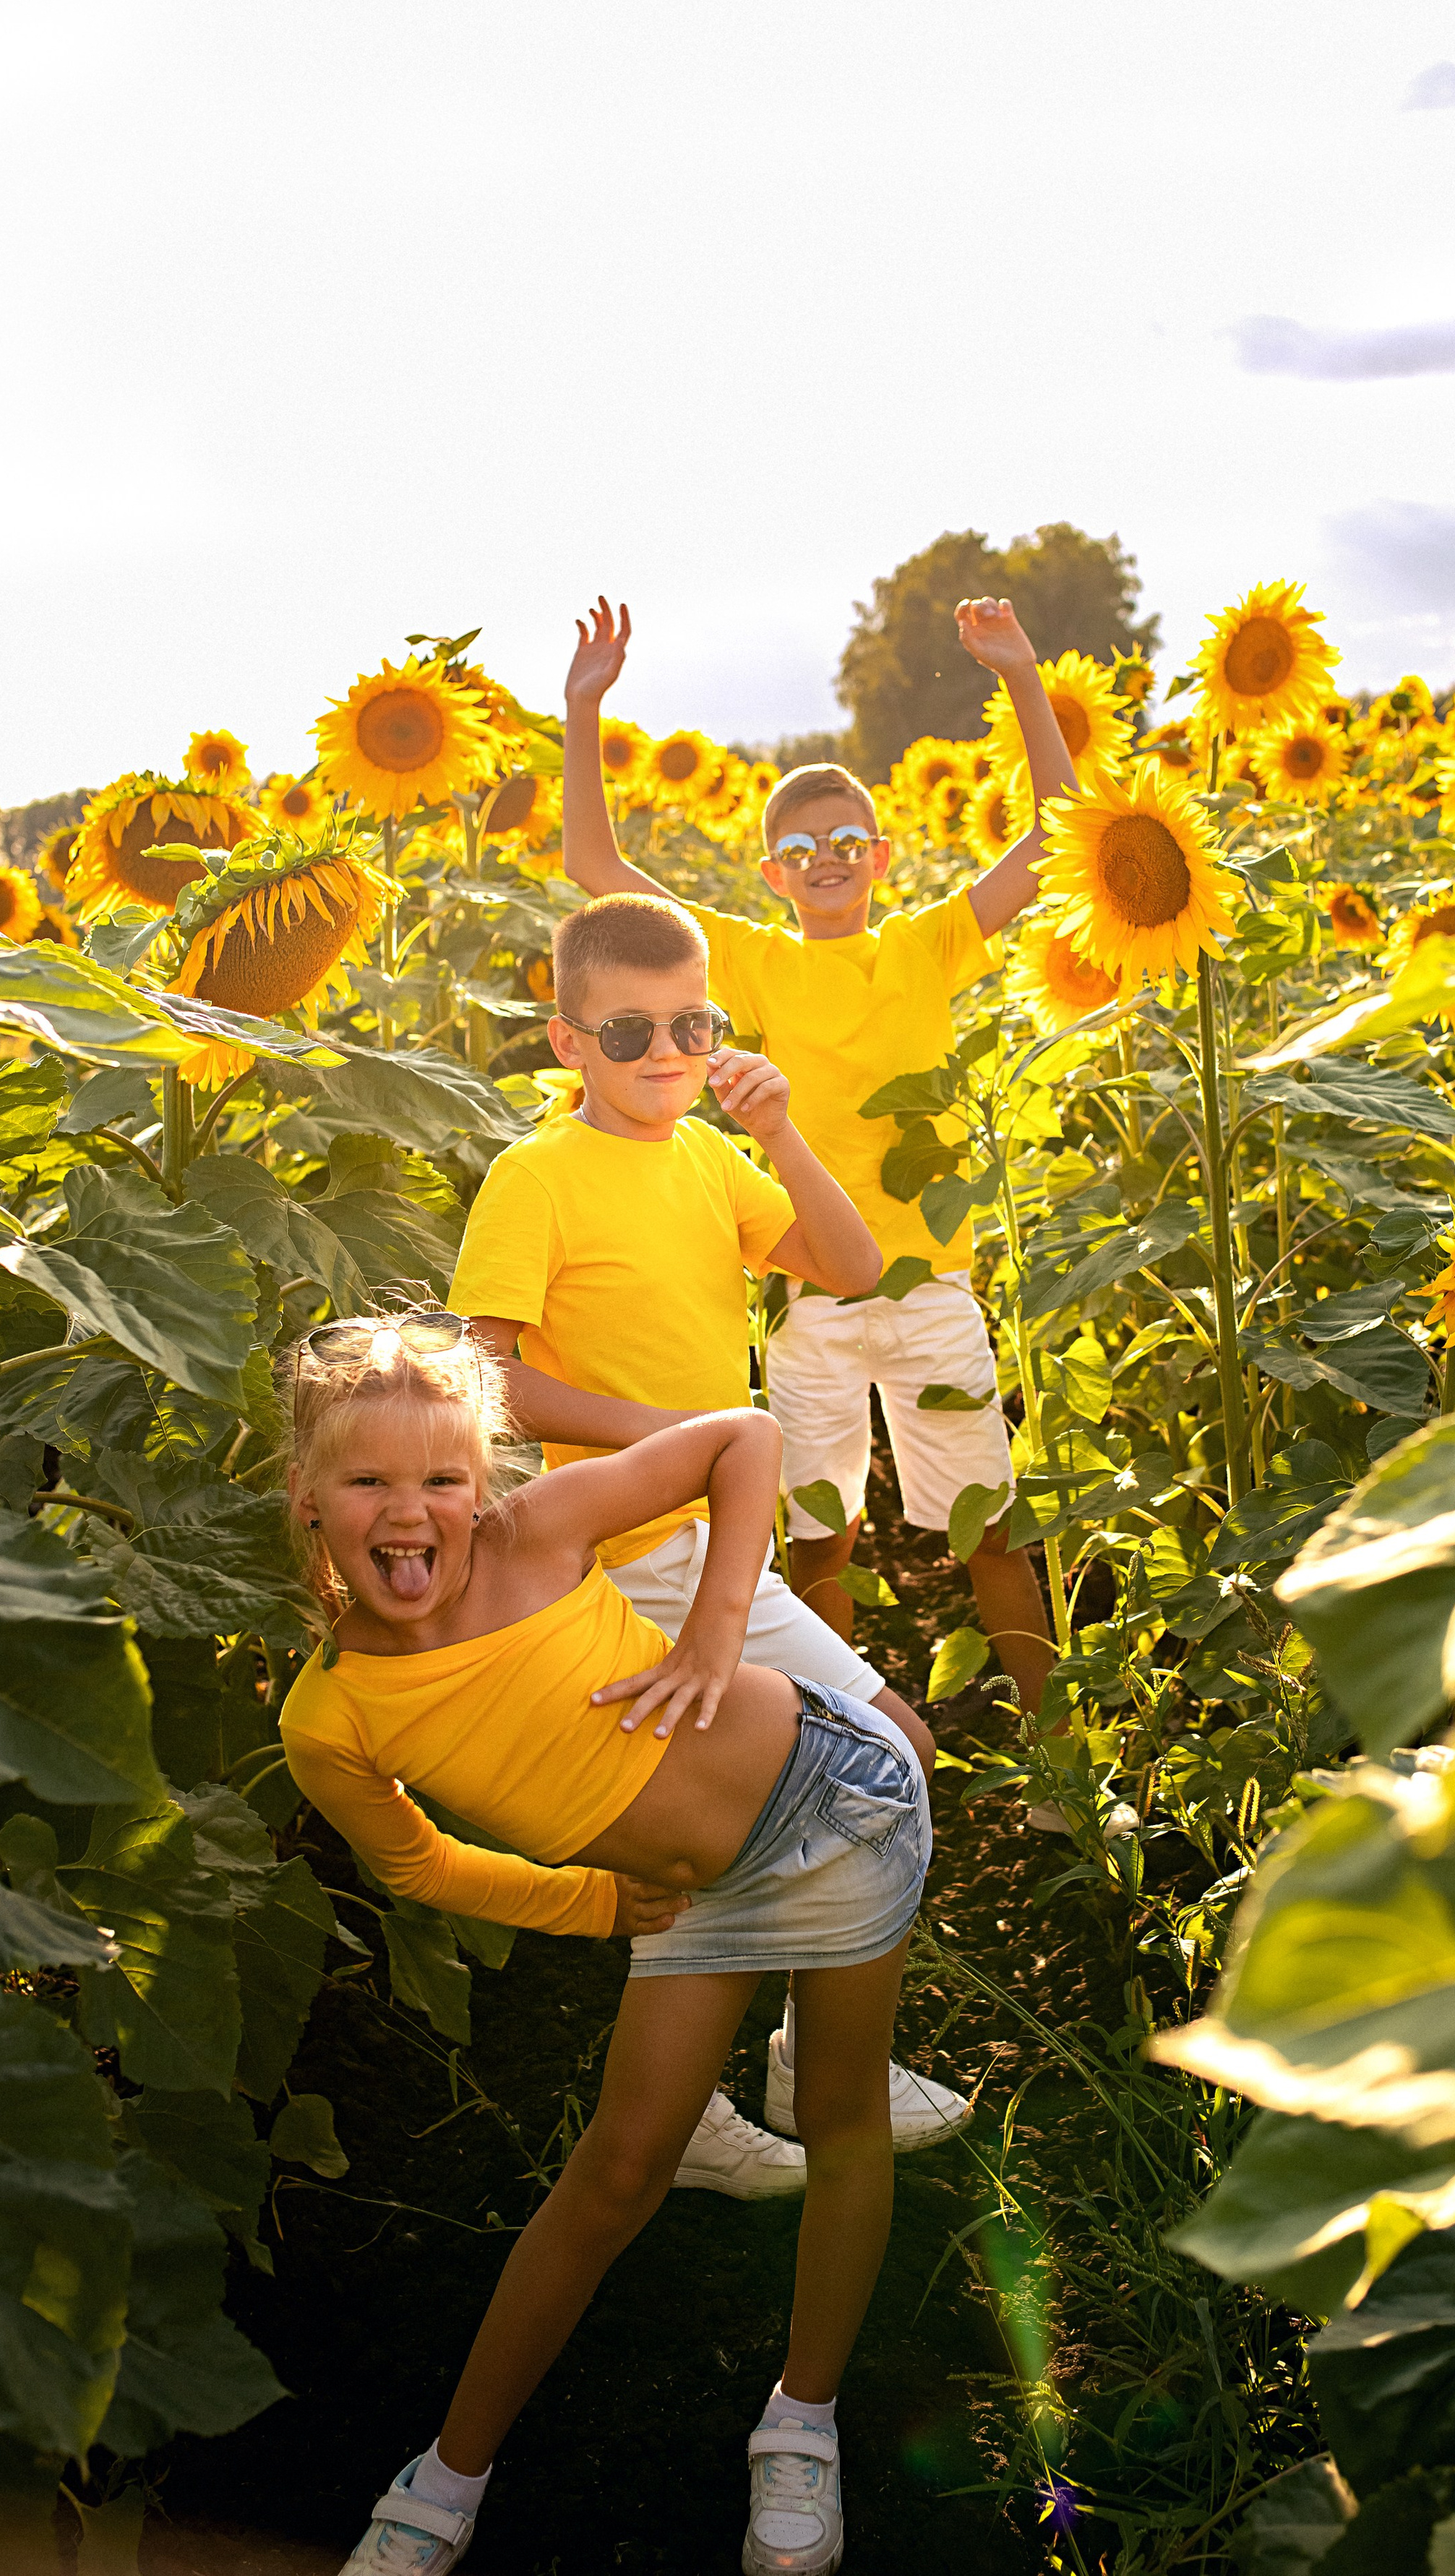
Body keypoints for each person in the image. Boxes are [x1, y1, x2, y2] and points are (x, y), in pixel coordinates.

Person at [280, 1310, 923, 2576]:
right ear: (310, 1500)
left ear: (484, 1487)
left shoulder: (541, 1534)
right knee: (617, 2172)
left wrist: (715, 1633)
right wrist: (589, 1905)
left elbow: (741, 1437)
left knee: (843, 2118)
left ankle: (801, 2420)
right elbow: (416, 1861)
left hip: (841, 1808)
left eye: (444, 1480)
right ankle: (445, 2479)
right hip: (695, 1897)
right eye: (369, 1482)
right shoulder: (332, 1716)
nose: (411, 1513)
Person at [445, 890, 972, 2187]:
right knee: (700, 1833)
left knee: (892, 1748)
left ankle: (801, 2060)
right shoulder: (536, 1175)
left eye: (696, 1023)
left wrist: (781, 1131)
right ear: (566, 1042)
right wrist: (669, 1438)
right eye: (631, 1034)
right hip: (616, 1564)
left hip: (713, 1543)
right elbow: (484, 1375)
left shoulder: (703, 1158)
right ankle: (684, 2128)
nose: (669, 1054)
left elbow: (851, 1262)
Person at [559, 594, 1077, 1824]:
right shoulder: (748, 960)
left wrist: (1020, 676)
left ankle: (1062, 1767)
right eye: (801, 849)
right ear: (770, 874)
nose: (827, 859)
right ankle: (845, 1768)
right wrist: (584, 710)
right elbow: (597, 870)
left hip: (932, 1287)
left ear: (881, 854)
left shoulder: (928, 944)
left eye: (848, 838)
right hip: (803, 1298)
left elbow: (1062, 835)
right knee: (818, 1547)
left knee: (989, 1532)